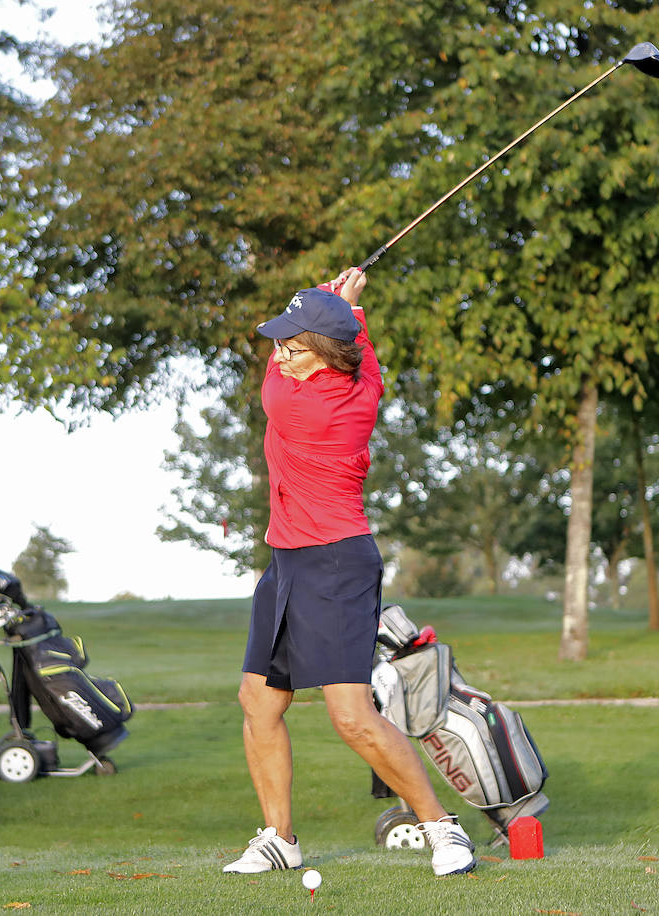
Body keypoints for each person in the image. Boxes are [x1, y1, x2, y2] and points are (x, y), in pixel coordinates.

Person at [222, 268, 476, 878]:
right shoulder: (361, 383)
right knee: (258, 701)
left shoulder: (294, 402)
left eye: (293, 345)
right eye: (279, 342)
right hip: (286, 559)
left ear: (325, 354)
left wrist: (340, 303)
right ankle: (279, 838)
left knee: (352, 716)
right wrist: (346, 308)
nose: (279, 354)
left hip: (334, 562)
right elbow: (365, 356)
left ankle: (444, 831)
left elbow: (282, 379)